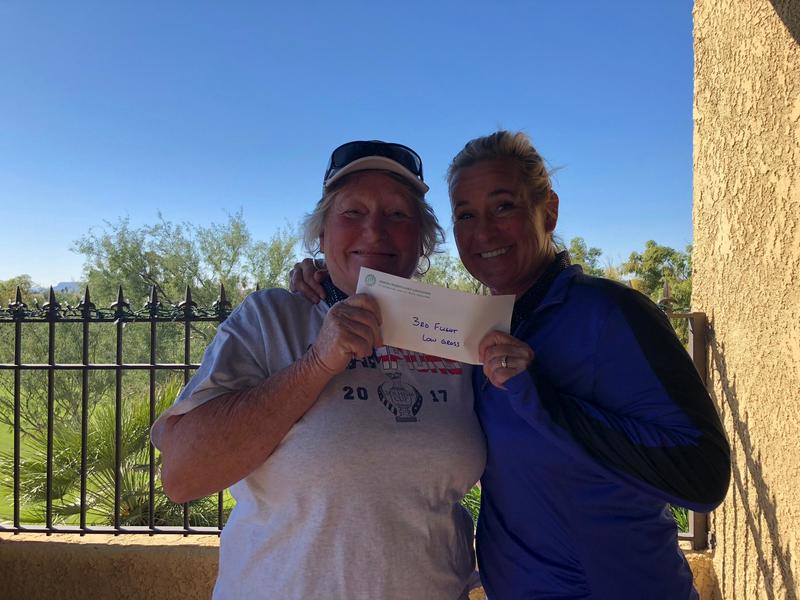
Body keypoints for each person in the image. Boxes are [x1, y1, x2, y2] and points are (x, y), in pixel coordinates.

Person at [291, 131, 731, 599]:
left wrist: (540, 398)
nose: (484, 232)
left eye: (504, 206)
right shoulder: (473, 326)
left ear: (549, 211)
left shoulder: (612, 315)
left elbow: (703, 476)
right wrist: (327, 280)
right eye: (466, 215)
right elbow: (379, 302)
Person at [151, 140, 486, 600]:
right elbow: (182, 476)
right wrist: (317, 364)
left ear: (422, 239)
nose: (375, 231)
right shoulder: (270, 319)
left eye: (397, 214)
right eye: (352, 213)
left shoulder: (454, 332)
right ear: (322, 235)